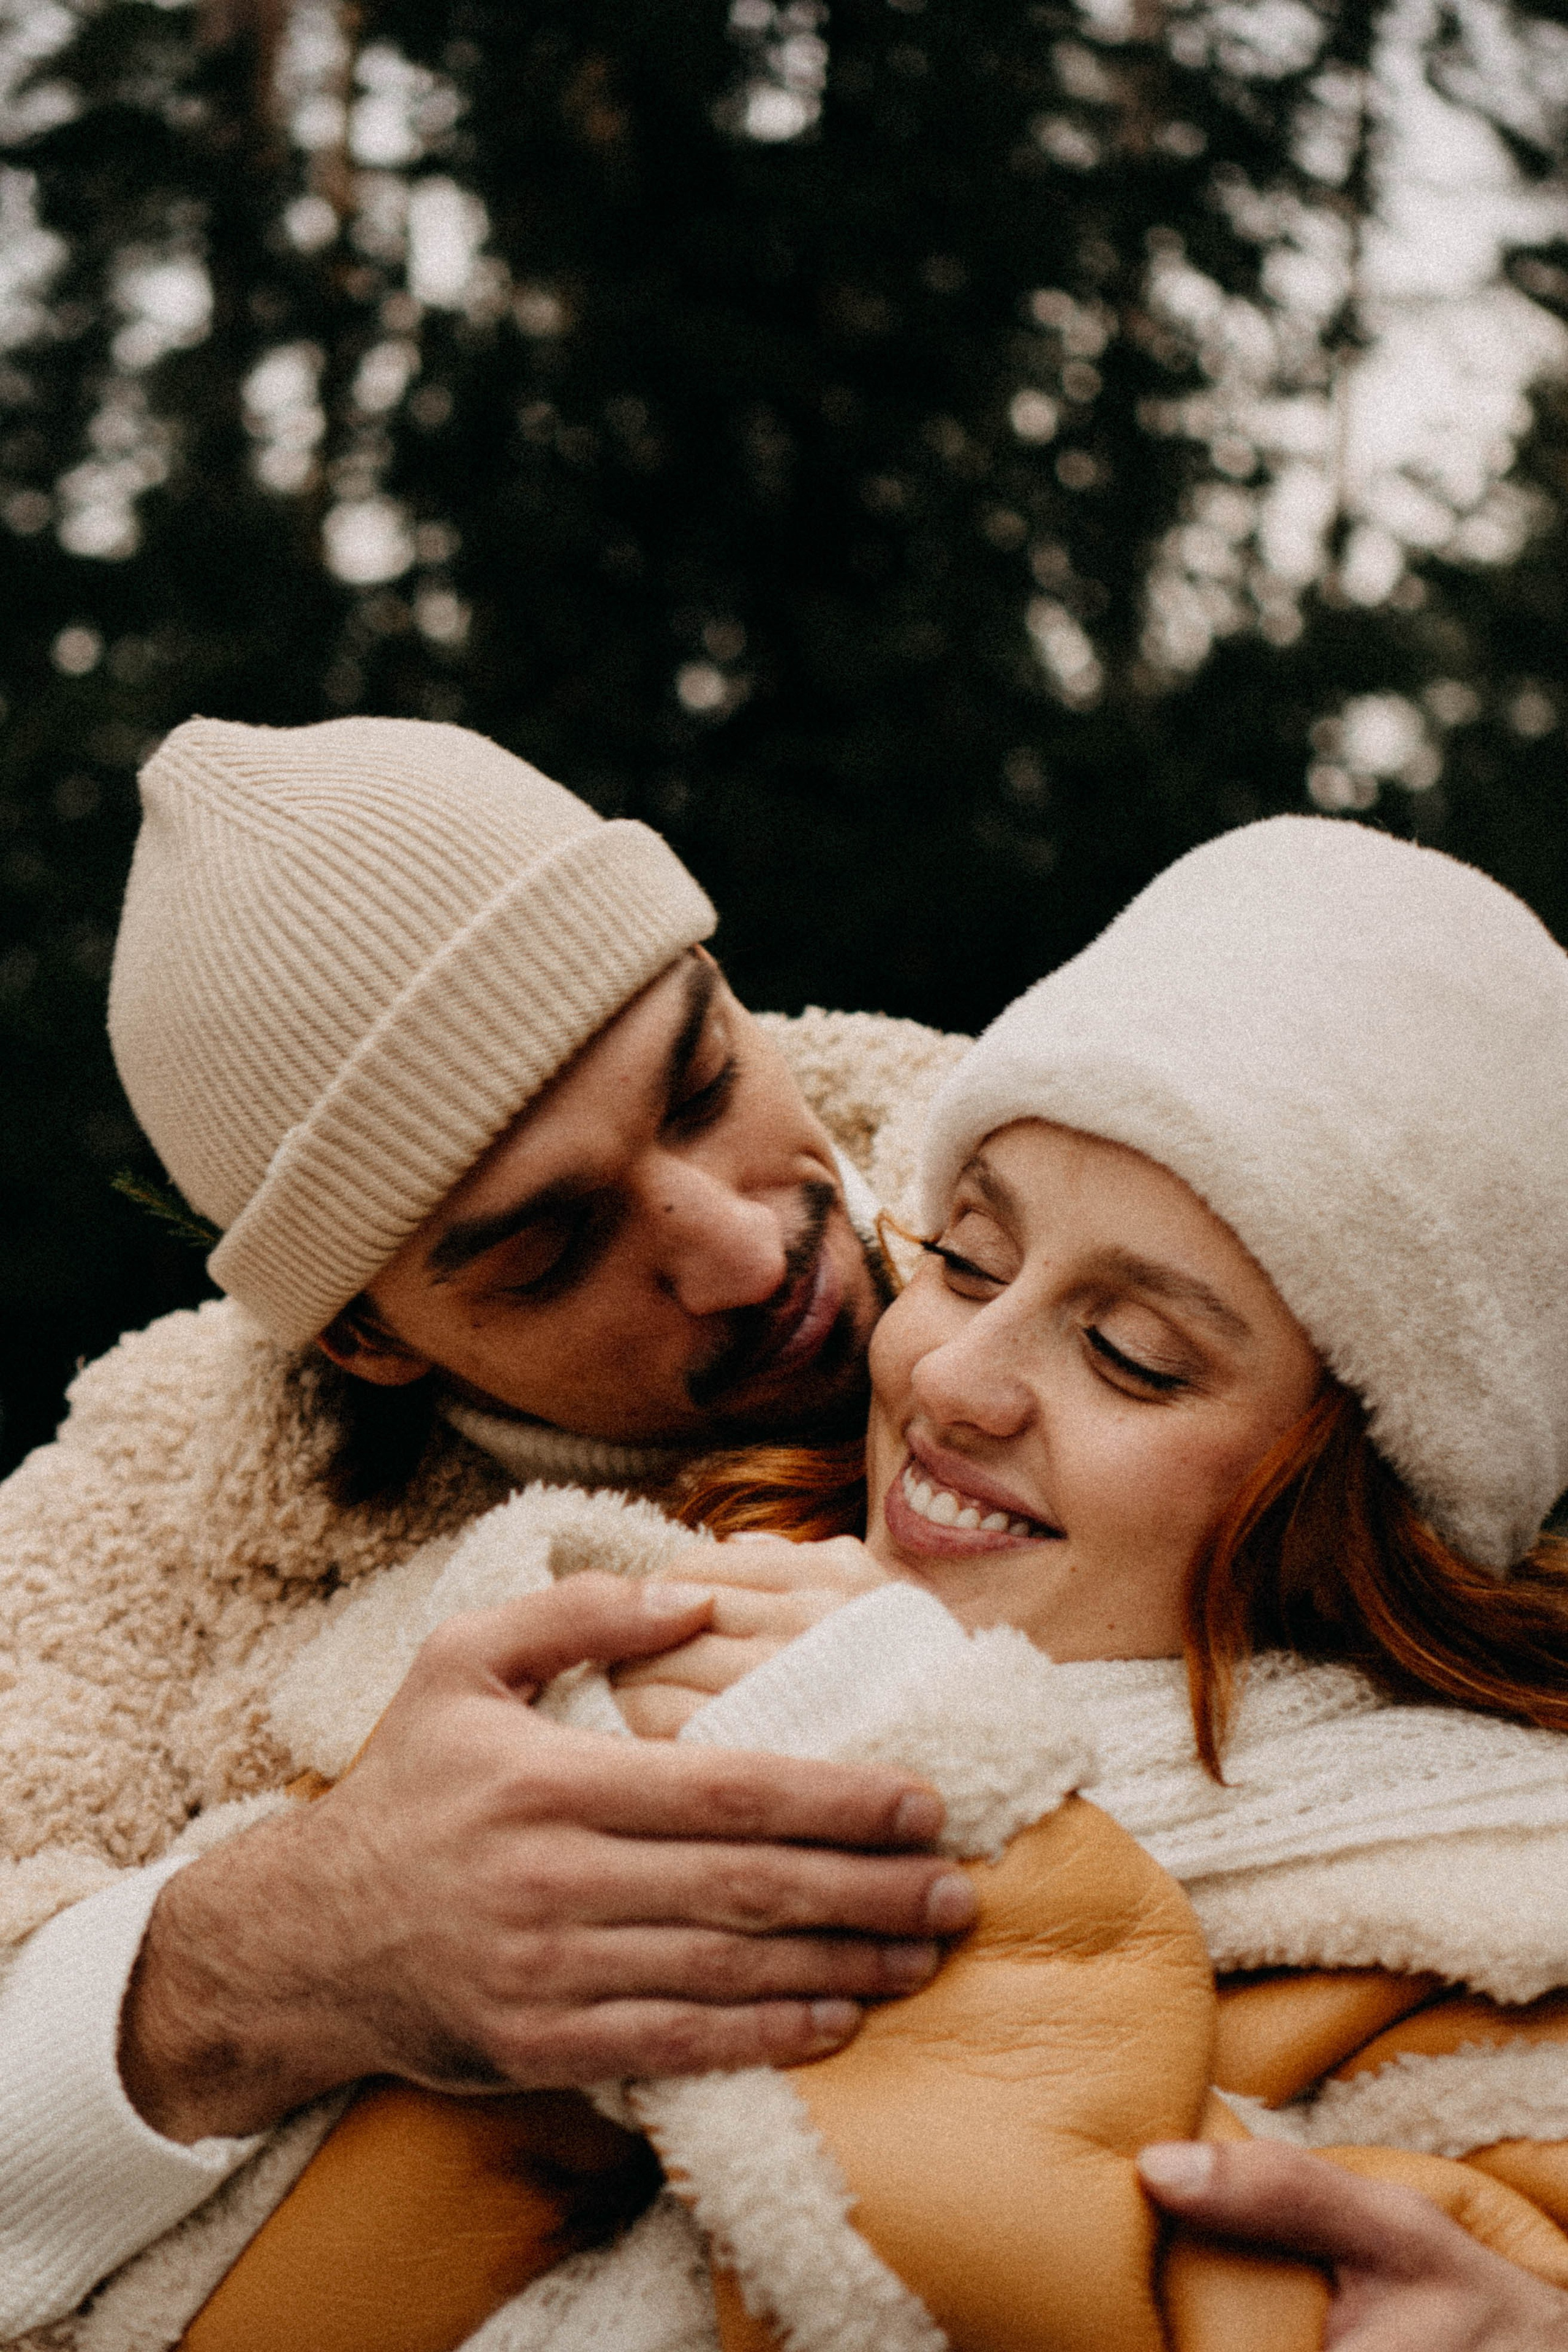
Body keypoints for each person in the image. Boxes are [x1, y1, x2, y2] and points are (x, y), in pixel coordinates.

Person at [158, 814, 1568, 2351]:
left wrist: (937, 1791)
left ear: (1377, 1486)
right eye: (963, 1258)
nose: (949, 1374)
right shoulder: (528, 1668)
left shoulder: (1489, 1923)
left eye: (1130, 1354)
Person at [0, 714, 975, 2341]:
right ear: (365, 1341)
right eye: (553, 1247)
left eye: (708, 1079)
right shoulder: (143, 1525)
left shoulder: (1134, 1195)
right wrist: (285, 1949)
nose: (746, 1251)